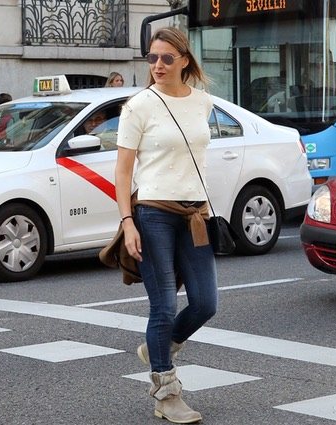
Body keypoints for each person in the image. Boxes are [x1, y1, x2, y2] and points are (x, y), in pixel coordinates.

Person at [114, 27, 217, 424]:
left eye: (166, 58)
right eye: (152, 58)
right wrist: (128, 221)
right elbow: (123, 172)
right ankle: (166, 393)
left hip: (196, 214)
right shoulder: (138, 106)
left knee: (206, 302)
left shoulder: (204, 103)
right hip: (154, 212)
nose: (158, 65)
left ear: (184, 61)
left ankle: (161, 344)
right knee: (163, 305)